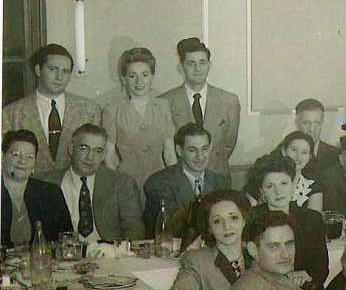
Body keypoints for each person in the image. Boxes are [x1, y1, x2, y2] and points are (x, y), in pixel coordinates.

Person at [2, 43, 101, 175]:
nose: (59, 77)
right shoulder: (11, 113)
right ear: (38, 70)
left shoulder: (90, 110)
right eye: (53, 69)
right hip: (30, 190)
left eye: (65, 71)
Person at [42, 123, 144, 243]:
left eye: (98, 151)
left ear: (103, 155)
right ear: (71, 148)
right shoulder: (48, 183)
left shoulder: (122, 183)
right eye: (84, 148)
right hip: (65, 255)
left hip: (110, 256)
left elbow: (135, 231)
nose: (90, 157)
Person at [248, 157, 329, 290]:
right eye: (270, 186)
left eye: (284, 183)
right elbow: (249, 265)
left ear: (293, 185)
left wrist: (308, 275)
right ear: (262, 192)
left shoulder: (312, 218)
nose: (278, 192)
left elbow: (321, 266)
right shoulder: (251, 219)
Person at [165, 190, 253, 290]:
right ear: (209, 228)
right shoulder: (197, 260)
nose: (226, 226)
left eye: (233, 218)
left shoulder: (259, 253)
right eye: (217, 221)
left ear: (244, 220)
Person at [160, 37, 240, 177]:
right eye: (191, 63)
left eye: (202, 63)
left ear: (209, 64)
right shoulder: (164, 102)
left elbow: (228, 145)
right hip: (180, 180)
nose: (197, 69)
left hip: (218, 178)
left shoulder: (229, 101)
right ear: (181, 66)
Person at [100, 47, 176, 193]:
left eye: (145, 75)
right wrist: (118, 185)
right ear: (124, 79)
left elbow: (170, 153)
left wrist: (173, 182)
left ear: (152, 76)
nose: (139, 81)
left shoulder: (163, 106)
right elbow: (109, 156)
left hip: (159, 180)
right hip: (127, 181)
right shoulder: (112, 109)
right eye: (132, 76)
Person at [142, 124, 230, 238]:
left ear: (211, 147)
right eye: (192, 150)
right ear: (179, 151)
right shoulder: (159, 183)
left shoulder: (221, 182)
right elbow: (173, 228)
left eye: (204, 149)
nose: (200, 156)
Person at [1, 130, 72, 247]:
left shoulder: (50, 192)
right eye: (16, 154)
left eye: (29, 157)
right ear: (3, 157)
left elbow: (66, 240)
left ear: (34, 163)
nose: (22, 161)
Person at [291, 98, 340, 177]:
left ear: (322, 123)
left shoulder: (336, 155)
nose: (312, 129)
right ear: (297, 123)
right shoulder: (286, 154)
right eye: (306, 123)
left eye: (316, 123)